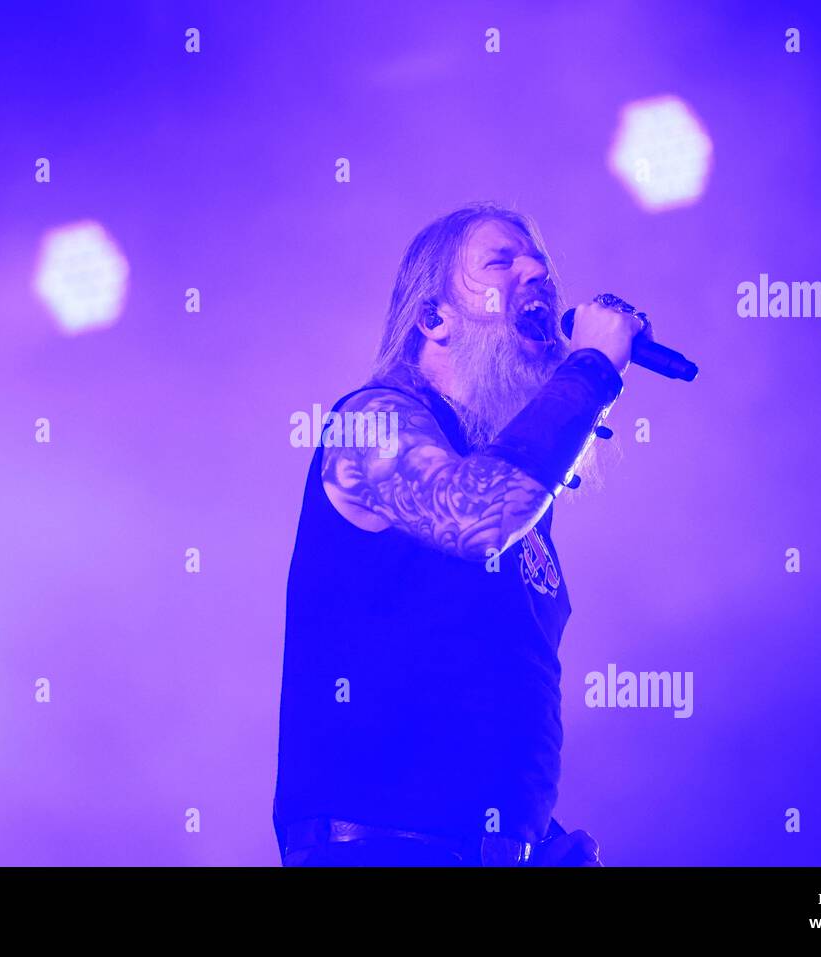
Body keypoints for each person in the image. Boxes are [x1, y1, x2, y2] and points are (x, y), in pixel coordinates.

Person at [273, 202, 645, 866]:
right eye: (500, 262)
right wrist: (589, 371)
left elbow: (467, 695)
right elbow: (476, 515)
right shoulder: (374, 423)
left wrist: (538, 841)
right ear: (432, 318)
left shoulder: (518, 495)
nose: (535, 271)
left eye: (540, 263)